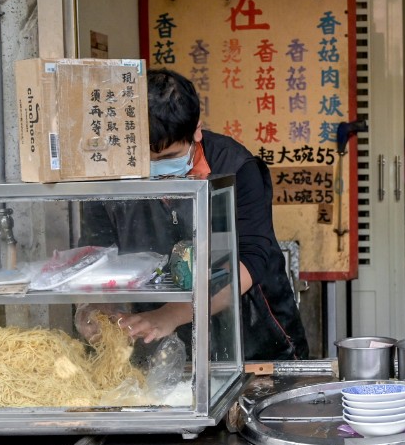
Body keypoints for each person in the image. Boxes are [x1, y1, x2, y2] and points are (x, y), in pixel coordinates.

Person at [80, 68, 308, 361]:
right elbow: (93, 253)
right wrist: (91, 307)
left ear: (197, 131)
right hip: (158, 342)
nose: (153, 170)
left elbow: (251, 259)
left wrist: (171, 314)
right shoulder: (110, 175)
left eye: (166, 159)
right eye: (143, 160)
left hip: (253, 338)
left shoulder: (236, 166)